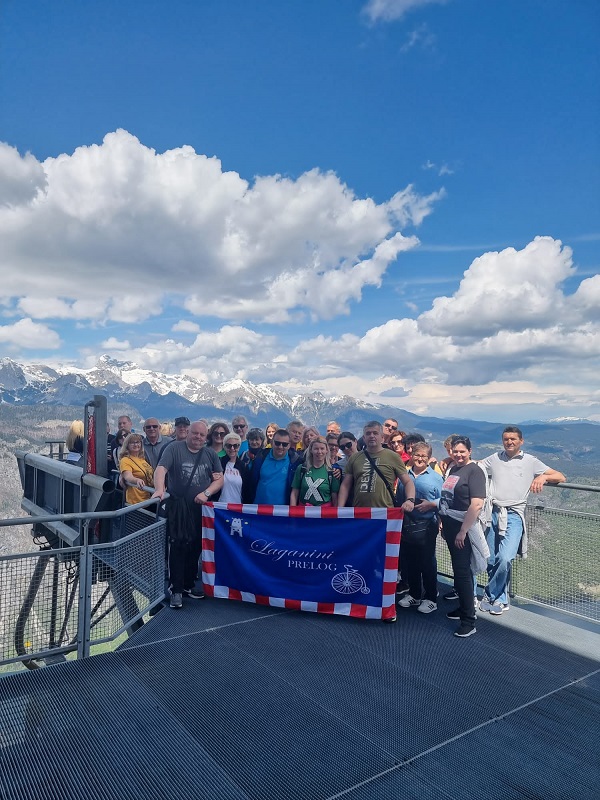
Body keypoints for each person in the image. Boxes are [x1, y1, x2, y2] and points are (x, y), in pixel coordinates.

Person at [478, 426, 566, 615]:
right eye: (506, 439)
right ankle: (500, 599)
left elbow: (561, 476)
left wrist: (543, 477)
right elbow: (475, 465)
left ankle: (490, 593)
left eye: (513, 439)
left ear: (521, 441)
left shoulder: (530, 461)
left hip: (514, 515)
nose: (509, 442)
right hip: (492, 512)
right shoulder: (495, 458)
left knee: (505, 557)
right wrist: (448, 459)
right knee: (491, 559)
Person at [151, 421, 223, 609]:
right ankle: (176, 589)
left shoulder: (210, 454)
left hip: (200, 508)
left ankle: (189, 584)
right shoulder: (174, 448)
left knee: (196, 546)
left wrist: (206, 493)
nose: (198, 437)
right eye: (195, 433)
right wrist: (159, 488)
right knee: (178, 545)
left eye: (202, 435)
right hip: (178, 506)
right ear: (188, 433)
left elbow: (219, 478)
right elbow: (161, 469)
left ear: (206, 437)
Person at [439, 436, 486, 638]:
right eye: (455, 451)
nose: (458, 455)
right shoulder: (454, 469)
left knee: (463, 572)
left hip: (462, 527)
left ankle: (469, 620)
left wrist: (463, 530)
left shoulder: (474, 471)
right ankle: (463, 608)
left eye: (462, 451)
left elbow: (476, 504)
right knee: (458, 571)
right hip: (450, 523)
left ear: (470, 451)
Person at [396, 443, 443, 614]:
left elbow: (444, 500)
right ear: (411, 455)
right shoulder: (405, 476)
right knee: (411, 562)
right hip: (407, 524)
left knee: (427, 563)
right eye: (417, 455)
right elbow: (398, 499)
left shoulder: (436, 478)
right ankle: (415, 594)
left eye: (424, 456)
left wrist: (433, 507)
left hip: (427, 525)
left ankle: (431, 598)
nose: (420, 459)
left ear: (429, 458)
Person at [337, 421, 415, 511]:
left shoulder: (393, 457)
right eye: (368, 433)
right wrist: (340, 508)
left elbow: (408, 482)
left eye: (375, 433)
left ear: (382, 437)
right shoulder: (354, 458)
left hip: (384, 512)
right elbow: (345, 485)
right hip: (359, 512)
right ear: (364, 438)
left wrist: (410, 500)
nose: (371, 436)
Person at [250, 429, 300, 504]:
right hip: (259, 507)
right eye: (277, 443)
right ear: (272, 442)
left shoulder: (295, 461)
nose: (280, 447)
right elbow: (251, 482)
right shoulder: (261, 457)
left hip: (282, 509)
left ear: (289, 445)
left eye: (284, 444)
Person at [290, 437, 340, 507]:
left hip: (324, 511)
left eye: (322, 448)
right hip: (303, 510)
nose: (319, 452)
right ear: (311, 450)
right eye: (316, 449)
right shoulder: (302, 469)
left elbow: (334, 497)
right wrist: (293, 511)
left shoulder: (332, 471)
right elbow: (294, 493)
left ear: (326, 450)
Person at [119, 433, 154, 505]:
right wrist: (137, 480)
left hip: (148, 497)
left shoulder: (142, 459)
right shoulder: (125, 460)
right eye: (132, 443)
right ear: (127, 445)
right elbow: (128, 476)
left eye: (137, 442)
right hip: (136, 501)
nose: (135, 445)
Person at [219, 433, 251, 504]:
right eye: (229, 446)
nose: (232, 448)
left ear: (239, 447)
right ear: (224, 447)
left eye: (235, 446)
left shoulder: (244, 467)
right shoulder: (218, 463)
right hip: (219, 506)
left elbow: (247, 490)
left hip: (237, 507)